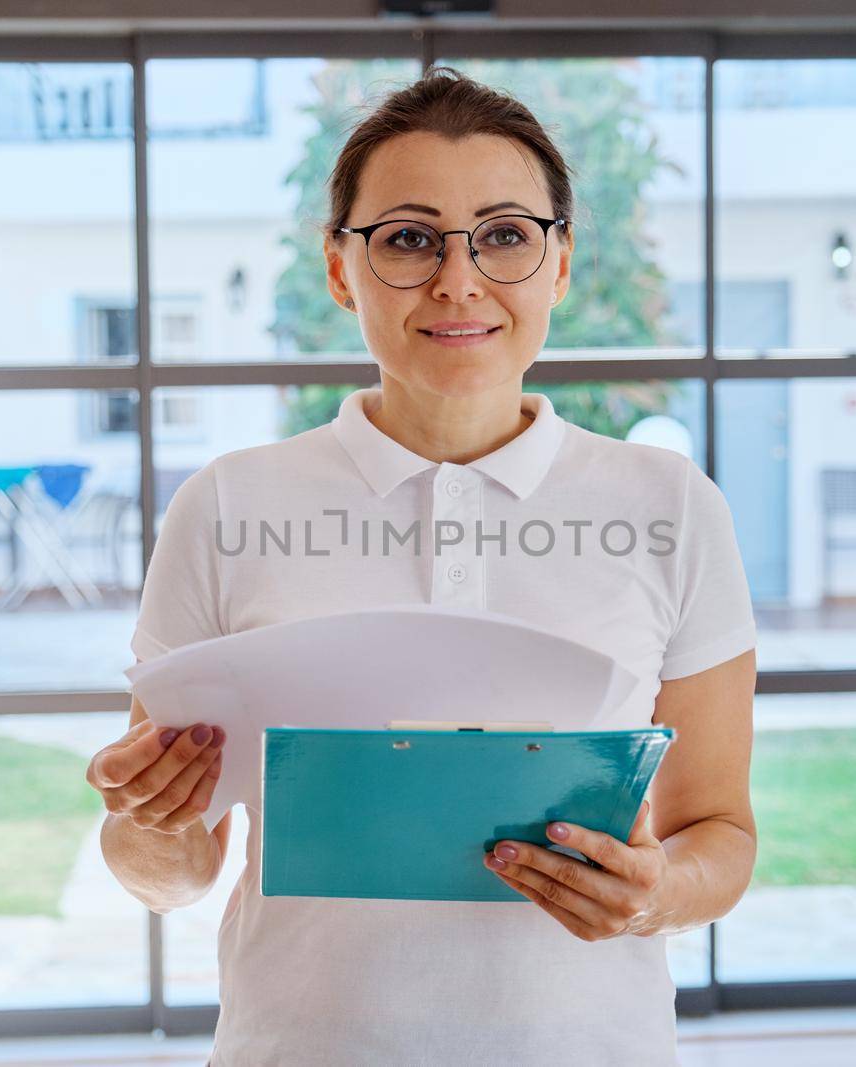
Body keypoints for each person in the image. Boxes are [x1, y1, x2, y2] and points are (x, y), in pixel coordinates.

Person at [85, 66, 758, 1066]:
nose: (457, 279)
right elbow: (170, 871)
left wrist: (654, 891)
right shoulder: (227, 504)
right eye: (407, 238)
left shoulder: (671, 507)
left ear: (559, 262)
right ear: (338, 266)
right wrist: (146, 828)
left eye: (504, 234)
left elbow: (720, 832)